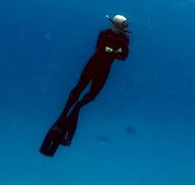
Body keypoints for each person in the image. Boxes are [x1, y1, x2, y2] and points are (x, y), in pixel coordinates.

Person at [39, 14, 131, 157]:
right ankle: (64, 115)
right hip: (94, 64)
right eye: (121, 26)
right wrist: (114, 52)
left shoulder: (124, 39)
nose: (122, 29)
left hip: (104, 68)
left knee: (92, 96)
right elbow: (101, 49)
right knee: (78, 90)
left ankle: (74, 111)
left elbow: (124, 56)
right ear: (115, 25)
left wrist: (110, 52)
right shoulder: (104, 34)